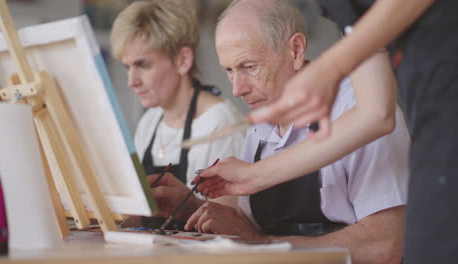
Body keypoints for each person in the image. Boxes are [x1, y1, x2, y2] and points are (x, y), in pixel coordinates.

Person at [197, 0, 458, 263]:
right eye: (229, 71)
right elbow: (374, 113)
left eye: (250, 67)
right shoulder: (263, 122)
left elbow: (387, 245)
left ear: (296, 50)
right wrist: (247, 181)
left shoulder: (347, 99)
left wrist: (330, 68)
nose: (237, 90)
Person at [110, 0, 244, 223]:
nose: (131, 81)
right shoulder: (150, 122)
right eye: (127, 67)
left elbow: (228, 228)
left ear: (183, 60)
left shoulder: (221, 125)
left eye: (143, 65)